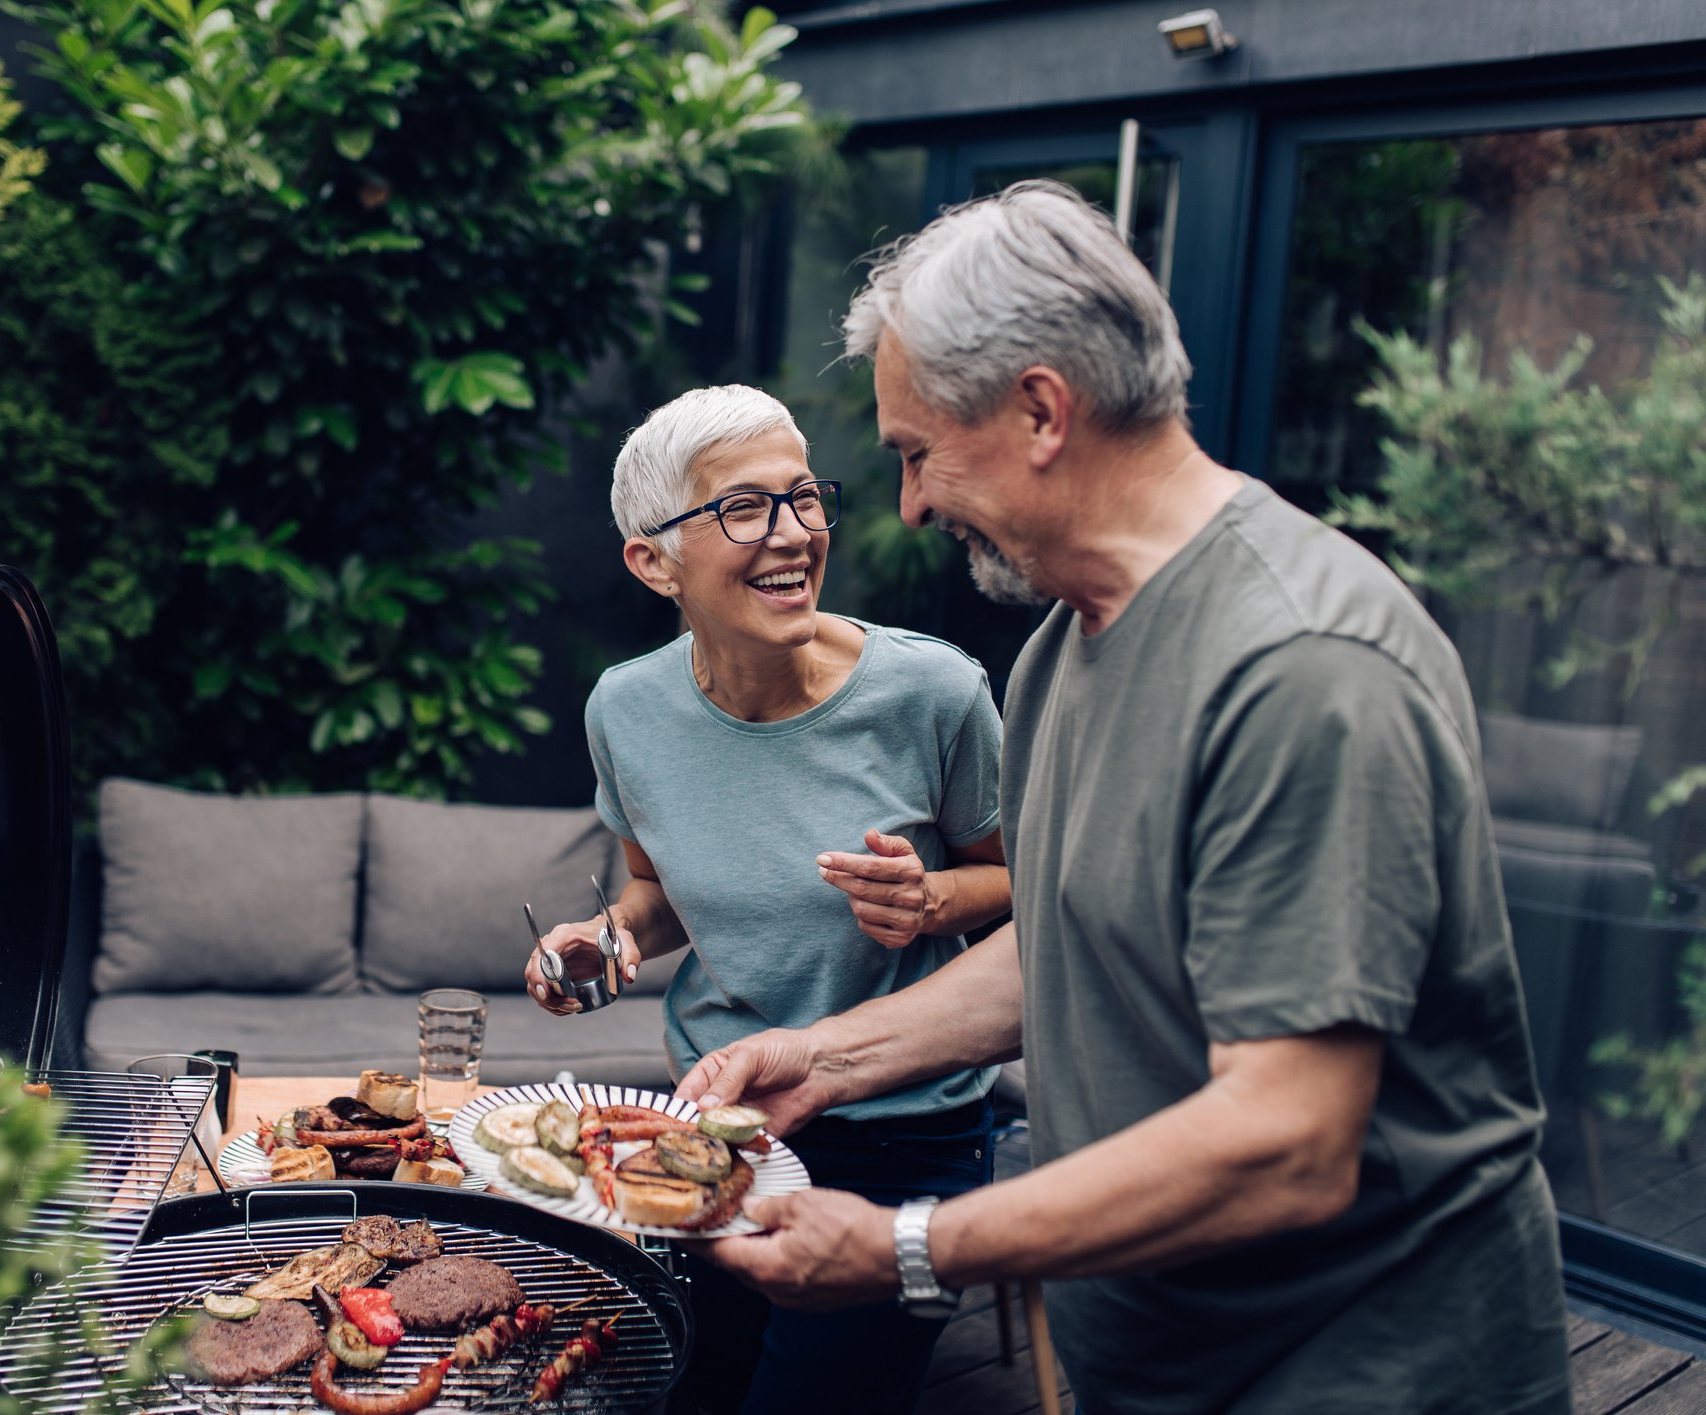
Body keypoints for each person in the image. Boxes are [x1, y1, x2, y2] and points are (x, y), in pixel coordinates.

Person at [674, 182, 1572, 1414]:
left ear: (1041, 408)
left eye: (916, 451)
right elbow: (1068, 945)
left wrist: (905, 1246)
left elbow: (1289, 1141)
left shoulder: (1302, 666)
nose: (912, 504)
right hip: (1154, 1356)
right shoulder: (1063, 646)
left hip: (1361, 1369)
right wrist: (826, 1057)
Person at [522, 384, 1013, 1414]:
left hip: (900, 1133)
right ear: (652, 559)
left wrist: (931, 898)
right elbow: (654, 890)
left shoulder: (936, 693)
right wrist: (601, 940)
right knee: (685, 1391)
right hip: (712, 1129)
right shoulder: (627, 706)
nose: (792, 534)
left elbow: (1028, 897)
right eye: (743, 508)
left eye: (804, 497)